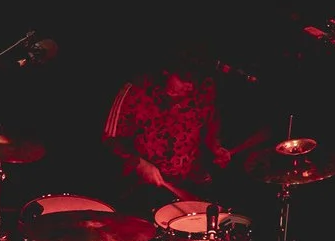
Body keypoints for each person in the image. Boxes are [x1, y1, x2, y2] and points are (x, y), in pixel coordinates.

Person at [102, 48, 238, 206]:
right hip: (142, 189)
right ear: (166, 71)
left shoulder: (205, 88)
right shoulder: (136, 90)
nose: (190, 86)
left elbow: (211, 122)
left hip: (191, 183)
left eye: (195, 81)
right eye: (184, 79)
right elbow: (109, 140)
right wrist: (138, 163)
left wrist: (215, 147)